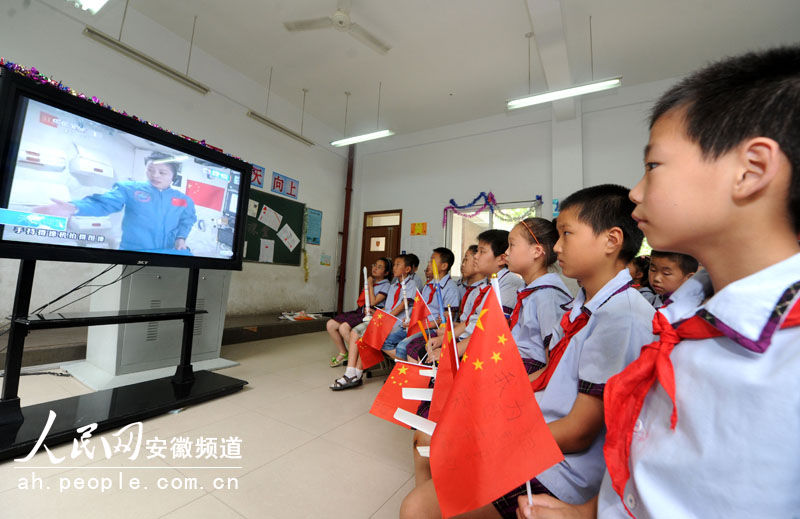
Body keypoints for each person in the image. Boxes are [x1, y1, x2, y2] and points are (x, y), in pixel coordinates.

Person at [518, 46, 800, 519]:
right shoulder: (687, 316)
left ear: (750, 171)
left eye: (653, 166)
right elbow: (651, 474)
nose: (634, 191)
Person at [401, 185, 655, 518]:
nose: (557, 246)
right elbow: (555, 374)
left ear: (611, 240)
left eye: (566, 235)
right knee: (430, 438)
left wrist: (500, 430)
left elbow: (579, 432)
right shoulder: (587, 305)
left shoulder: (621, 317)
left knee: (418, 505)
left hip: (557, 466)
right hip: (538, 427)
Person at [33, 151, 197, 252]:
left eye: (162, 172)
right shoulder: (131, 189)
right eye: (151, 170)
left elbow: (187, 220)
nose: (155, 175)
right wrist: (76, 208)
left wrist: (180, 239)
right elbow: (104, 203)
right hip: (133, 254)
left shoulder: (184, 200)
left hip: (166, 254)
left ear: (173, 177)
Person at [329, 254, 414, 390]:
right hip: (386, 319)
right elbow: (388, 307)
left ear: (408, 269)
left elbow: (402, 305)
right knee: (355, 332)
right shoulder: (393, 286)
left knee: (369, 334)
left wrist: (385, 318)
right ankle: (352, 372)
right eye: (395, 264)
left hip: (397, 323)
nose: (395, 268)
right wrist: (379, 315)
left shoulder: (411, 284)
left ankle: (355, 374)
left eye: (398, 265)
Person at [505, 217, 573, 373]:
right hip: (515, 363)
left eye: (512, 245)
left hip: (531, 372)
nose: (506, 252)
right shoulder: (528, 290)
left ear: (536, 251)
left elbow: (554, 360)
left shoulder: (547, 295)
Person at [325, 257, 391, 367]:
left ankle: (360, 356)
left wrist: (369, 284)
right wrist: (370, 283)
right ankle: (344, 352)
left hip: (371, 314)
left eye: (379, 267)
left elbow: (373, 301)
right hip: (360, 311)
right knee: (330, 324)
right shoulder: (373, 281)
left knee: (343, 328)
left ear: (386, 272)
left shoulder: (386, 285)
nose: (375, 268)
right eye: (374, 265)